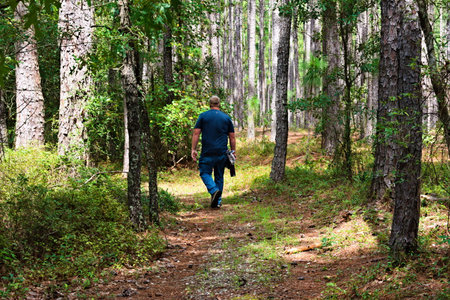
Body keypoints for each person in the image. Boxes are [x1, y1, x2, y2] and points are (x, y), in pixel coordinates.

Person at [191, 95, 236, 208]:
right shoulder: (226, 118)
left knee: (205, 172)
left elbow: (196, 133)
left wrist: (193, 149)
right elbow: (232, 137)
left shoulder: (203, 116)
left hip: (207, 151)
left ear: (209, 104)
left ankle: (213, 190)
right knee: (219, 175)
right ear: (219, 104)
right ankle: (218, 201)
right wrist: (233, 151)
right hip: (222, 152)